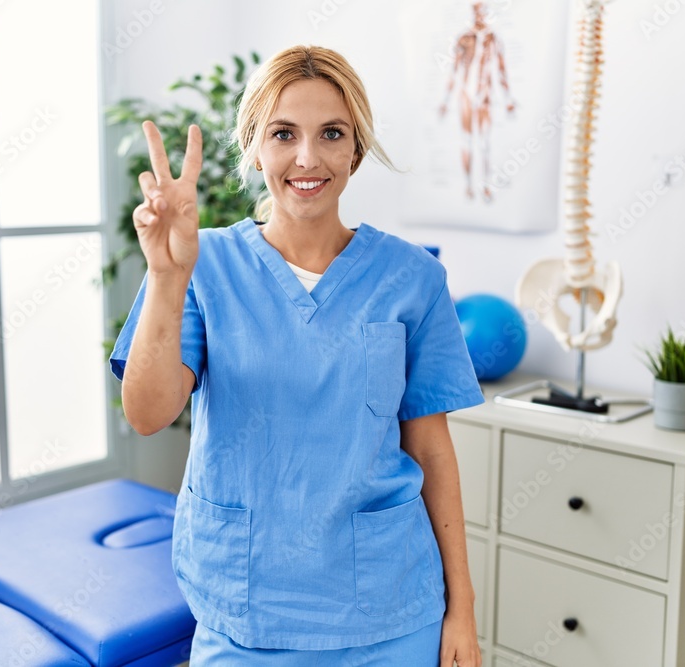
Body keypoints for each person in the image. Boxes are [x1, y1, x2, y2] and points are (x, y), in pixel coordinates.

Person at [110, 45, 485, 666]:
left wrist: (462, 609)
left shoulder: (413, 279)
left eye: (331, 134)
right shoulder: (196, 264)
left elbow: (430, 450)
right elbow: (148, 414)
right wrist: (167, 276)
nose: (307, 158)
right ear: (255, 147)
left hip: (388, 613)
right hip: (245, 612)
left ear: (355, 152)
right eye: (283, 134)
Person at [439, 1, 516, 203]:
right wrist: (446, 101)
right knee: (466, 140)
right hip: (466, 94)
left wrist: (508, 99)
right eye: (477, 11)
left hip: (484, 96)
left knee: (484, 142)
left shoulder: (493, 39)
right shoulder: (464, 38)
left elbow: (501, 70)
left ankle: (486, 186)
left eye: (483, 11)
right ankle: (468, 186)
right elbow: (454, 71)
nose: (480, 15)